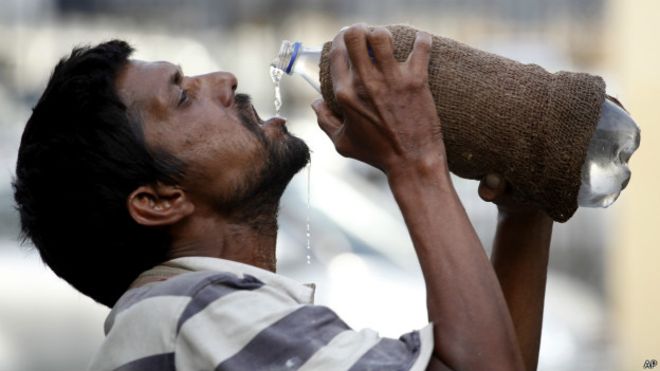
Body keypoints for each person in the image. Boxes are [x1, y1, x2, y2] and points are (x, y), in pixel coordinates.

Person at [13, 24, 553, 371]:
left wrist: (524, 209)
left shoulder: (186, 320)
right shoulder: (202, 314)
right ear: (158, 199)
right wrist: (414, 160)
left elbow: (489, 359)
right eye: (181, 95)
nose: (222, 80)